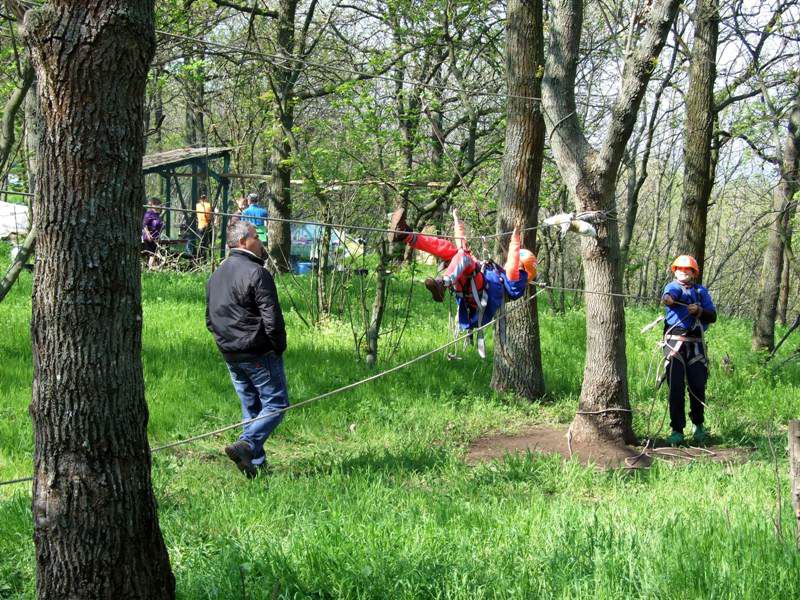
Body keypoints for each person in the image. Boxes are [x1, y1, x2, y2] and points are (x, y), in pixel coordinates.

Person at [388, 207, 537, 356]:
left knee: (464, 257)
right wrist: (456, 221)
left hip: (478, 294)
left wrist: (515, 239)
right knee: (452, 250)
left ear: (523, 267)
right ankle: (405, 234)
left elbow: (512, 264)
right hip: (473, 285)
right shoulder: (499, 274)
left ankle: (443, 283)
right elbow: (462, 245)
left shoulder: (516, 283)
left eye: (520, 264)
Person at [206, 221, 288, 478]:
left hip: (230, 353)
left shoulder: (216, 273)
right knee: (276, 403)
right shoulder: (256, 272)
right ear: (243, 241)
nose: (261, 242)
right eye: (257, 237)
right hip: (257, 352)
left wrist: (225, 343)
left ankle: (256, 463)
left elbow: (209, 319)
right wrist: (277, 347)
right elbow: (272, 318)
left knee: (251, 407)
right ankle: (248, 445)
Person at [661, 255, 717, 446]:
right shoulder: (672, 288)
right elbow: (670, 296)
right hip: (675, 346)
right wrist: (668, 300)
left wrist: (699, 311)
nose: (683, 272)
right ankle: (677, 430)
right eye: (680, 269)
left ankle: (698, 426)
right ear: (675, 271)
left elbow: (713, 316)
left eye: (688, 270)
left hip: (696, 346)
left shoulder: (701, 292)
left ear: (694, 273)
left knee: (697, 386)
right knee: (675, 388)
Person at [141, 198, 164, 269]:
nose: (159, 206)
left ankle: (152, 268)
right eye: (157, 204)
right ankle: (150, 268)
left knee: (154, 254)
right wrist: (148, 235)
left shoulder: (157, 215)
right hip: (149, 237)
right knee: (152, 254)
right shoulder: (149, 214)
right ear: (153, 205)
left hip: (156, 237)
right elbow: (144, 225)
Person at [195, 194, 213, 258]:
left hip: (200, 227)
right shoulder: (208, 205)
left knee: (201, 243)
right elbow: (210, 217)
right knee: (208, 243)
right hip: (207, 226)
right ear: (206, 198)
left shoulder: (197, 205)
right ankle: (209, 257)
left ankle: (201, 258)